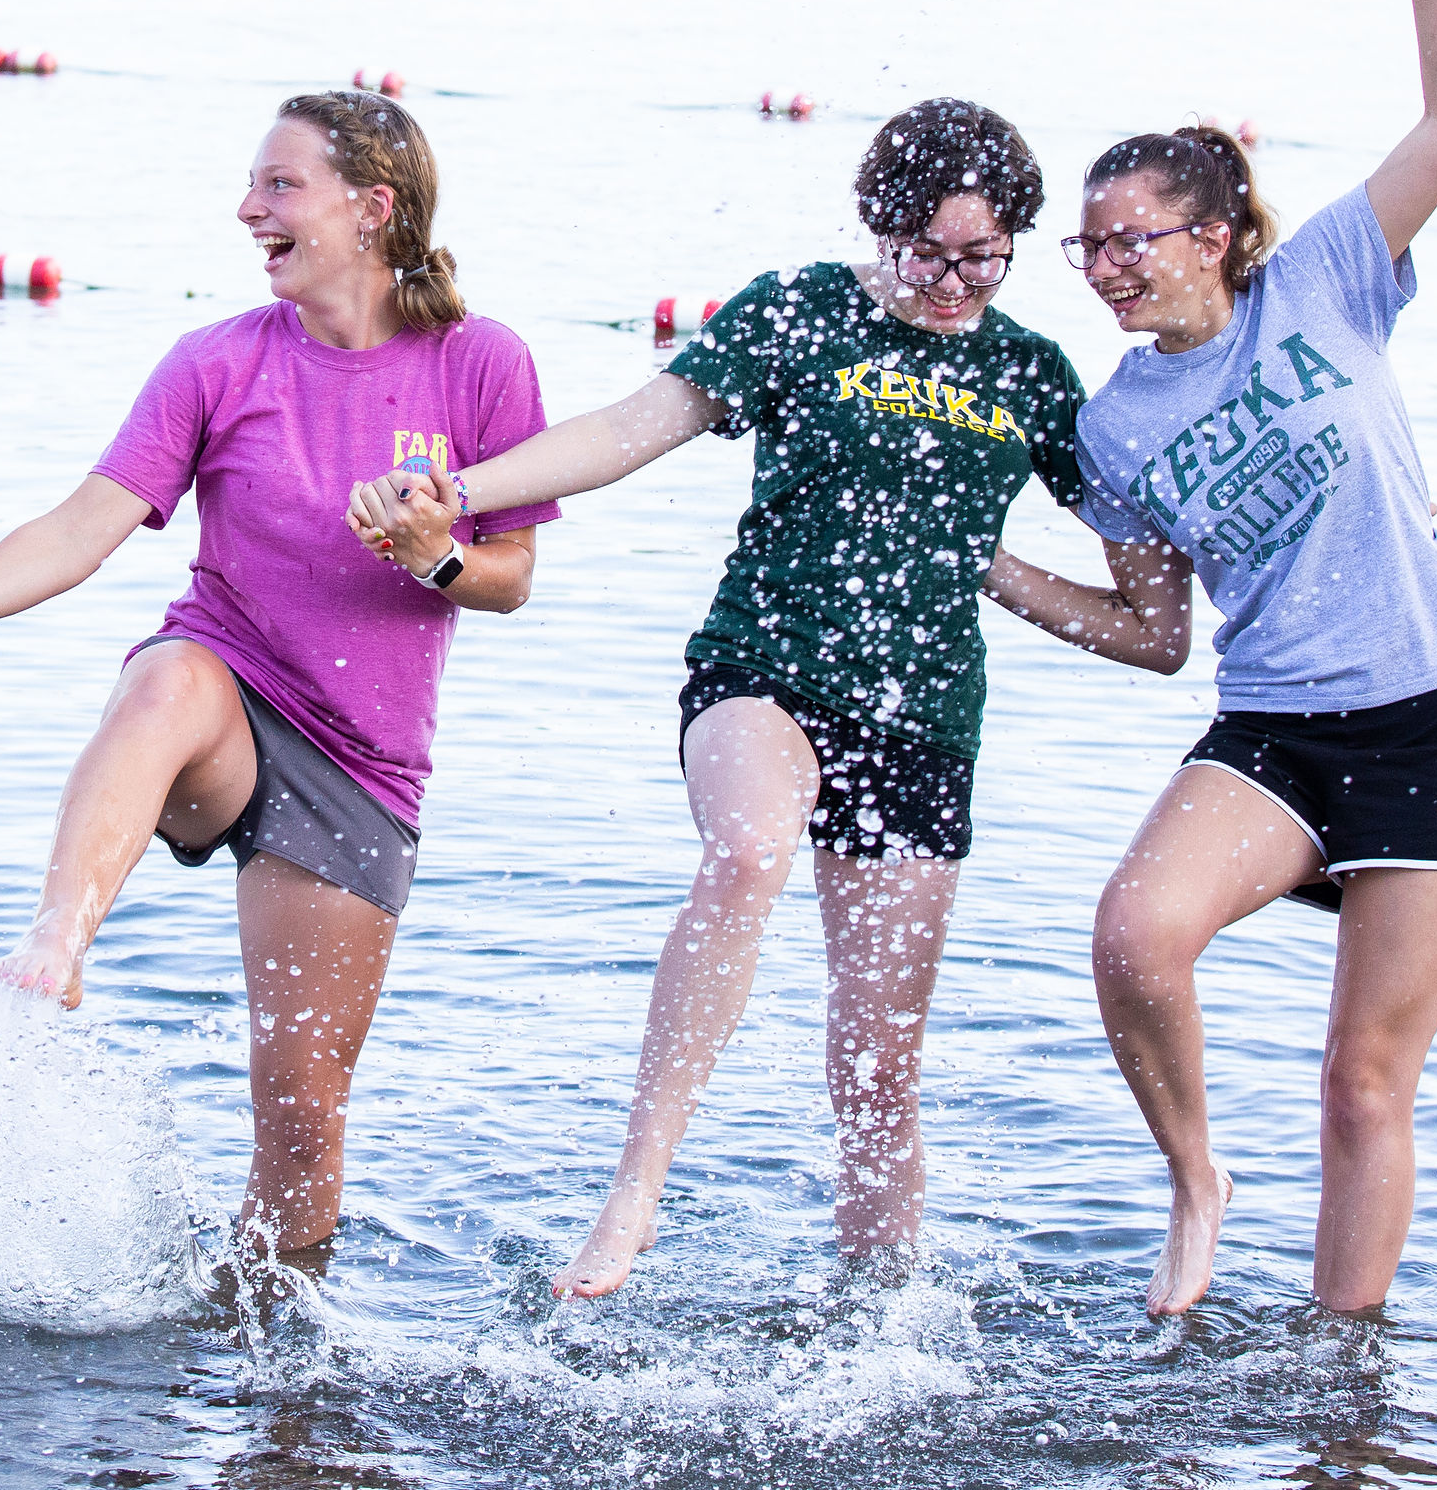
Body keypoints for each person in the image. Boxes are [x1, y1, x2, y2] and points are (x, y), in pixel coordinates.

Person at [350, 98, 1089, 1297]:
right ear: (880, 224)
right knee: (749, 853)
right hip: (767, 670)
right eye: (930, 253)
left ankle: (886, 1306)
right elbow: (631, 430)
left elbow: (1149, 563)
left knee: (880, 1058)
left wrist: (1001, 568)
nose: (957, 283)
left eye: (986, 257)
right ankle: (634, 1195)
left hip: (926, 720)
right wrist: (457, 490)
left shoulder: (1032, 374)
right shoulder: (798, 309)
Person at [985, 0, 1437, 1318]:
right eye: (1086, 250)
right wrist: (994, 565)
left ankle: (1342, 1391)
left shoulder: (1331, 281)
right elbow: (1155, 632)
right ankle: (1197, 1186)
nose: (1104, 269)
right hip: (1279, 725)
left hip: (1433, 713)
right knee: (1135, 937)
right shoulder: (1114, 429)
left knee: (1365, 1084)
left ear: (1219, 234)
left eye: (1130, 238)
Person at [0, 91, 556, 1258]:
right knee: (168, 675)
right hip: (223, 701)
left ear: (371, 208)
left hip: (360, 759)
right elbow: (83, 527)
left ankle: (282, 1372)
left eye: (280, 187)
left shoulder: (480, 363)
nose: (249, 209)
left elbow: (514, 574)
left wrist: (437, 558)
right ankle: (60, 944)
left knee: (298, 1113)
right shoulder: (219, 361)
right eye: (255, 185)